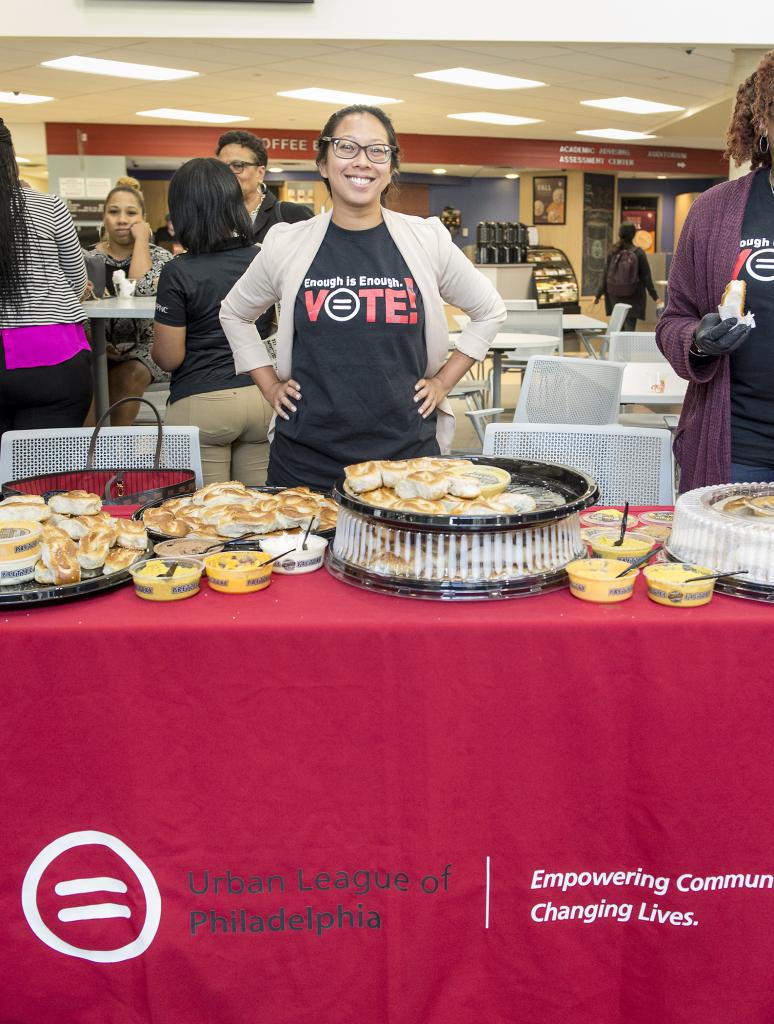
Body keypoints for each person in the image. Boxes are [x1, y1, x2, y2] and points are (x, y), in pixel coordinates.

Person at [219, 104, 506, 491]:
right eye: (346, 147)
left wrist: (442, 382)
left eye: (377, 150)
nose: (362, 161)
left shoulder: (427, 240)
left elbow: (489, 310)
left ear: (391, 167)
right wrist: (269, 385)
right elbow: (234, 313)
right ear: (323, 164)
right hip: (306, 459)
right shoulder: (287, 243)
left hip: (406, 459)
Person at [656, 49, 774, 490]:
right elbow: (673, 320)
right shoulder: (714, 210)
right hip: (738, 448)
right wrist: (698, 342)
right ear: (763, 122)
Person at [151, 158, 272, 486]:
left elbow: (169, 357)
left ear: (182, 211)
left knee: (202, 512)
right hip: (261, 397)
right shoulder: (261, 257)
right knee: (256, 510)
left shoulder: (178, 271)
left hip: (201, 403)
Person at [0, 117, 92, 436]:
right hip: (51, 355)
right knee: (42, 465)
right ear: (10, 157)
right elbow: (77, 281)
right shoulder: (48, 206)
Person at [216, 130, 314, 347]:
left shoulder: (291, 216)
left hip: (280, 338)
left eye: (238, 166)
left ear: (260, 172)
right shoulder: (210, 222)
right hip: (222, 336)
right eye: (222, 168)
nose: (228, 174)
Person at [86, 184, 172, 425]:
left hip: (149, 350)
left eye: (131, 213)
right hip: (96, 347)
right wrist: (97, 344)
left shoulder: (161, 258)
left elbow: (142, 285)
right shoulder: (87, 259)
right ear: (104, 216)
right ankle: (88, 445)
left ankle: (113, 443)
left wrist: (142, 240)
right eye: (114, 212)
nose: (122, 219)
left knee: (129, 373)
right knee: (86, 374)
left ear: (144, 218)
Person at [594, 222, 660, 331]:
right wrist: (655, 297)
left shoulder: (613, 251)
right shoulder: (638, 253)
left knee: (617, 328)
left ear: (619, 234)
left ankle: (616, 343)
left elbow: (605, 274)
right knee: (629, 328)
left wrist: (598, 294)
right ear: (633, 234)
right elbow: (646, 277)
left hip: (614, 295)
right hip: (633, 295)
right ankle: (626, 342)